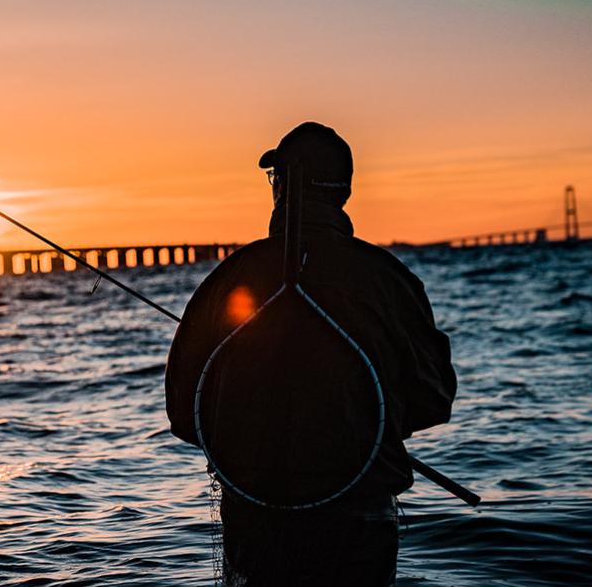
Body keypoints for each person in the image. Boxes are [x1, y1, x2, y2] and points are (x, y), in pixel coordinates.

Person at [165, 122, 457, 585]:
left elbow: (185, 414)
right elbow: (434, 399)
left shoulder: (227, 281)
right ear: (343, 192)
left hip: (255, 519)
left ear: (282, 186)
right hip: (360, 519)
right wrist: (358, 428)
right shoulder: (389, 280)